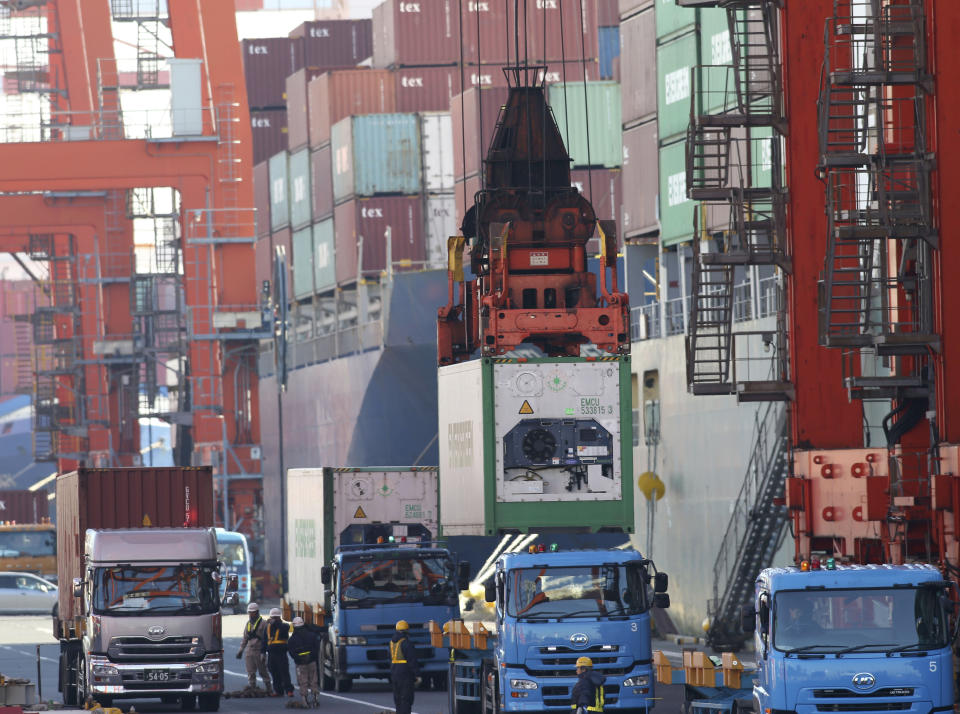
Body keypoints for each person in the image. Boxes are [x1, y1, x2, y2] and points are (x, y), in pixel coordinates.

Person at [237, 602, 272, 691]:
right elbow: (245, 638)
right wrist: (241, 650)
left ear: (257, 612)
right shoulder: (248, 624)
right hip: (249, 650)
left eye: (252, 612)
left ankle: (268, 687)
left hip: (259, 650)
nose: (251, 614)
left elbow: (267, 638)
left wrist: (264, 652)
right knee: (250, 671)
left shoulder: (264, 623)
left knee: (262, 671)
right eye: (249, 612)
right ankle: (252, 687)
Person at [287, 616, 319, 708]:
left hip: (300, 664)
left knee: (303, 681)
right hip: (312, 662)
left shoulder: (292, 639)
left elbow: (292, 652)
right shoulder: (312, 635)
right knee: (314, 680)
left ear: (294, 626)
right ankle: (316, 699)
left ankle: (305, 700)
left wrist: (299, 659)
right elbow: (316, 648)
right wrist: (311, 657)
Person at [389, 619, 418, 714]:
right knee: (406, 698)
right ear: (407, 631)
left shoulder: (392, 643)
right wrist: (417, 674)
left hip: (394, 673)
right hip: (405, 674)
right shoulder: (406, 643)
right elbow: (412, 660)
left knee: (398, 699)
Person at [265, 607, 294, 697]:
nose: (273, 619)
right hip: (271, 653)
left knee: (284, 672)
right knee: (273, 671)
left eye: (275, 618)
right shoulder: (268, 627)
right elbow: (264, 640)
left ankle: (289, 690)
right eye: (272, 618)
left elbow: (284, 628)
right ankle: (278, 691)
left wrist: (275, 623)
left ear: (279, 618)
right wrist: (262, 652)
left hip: (281, 653)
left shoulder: (284, 626)